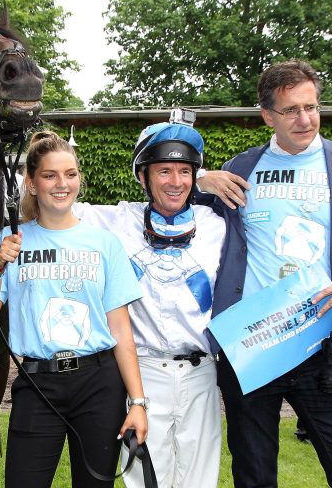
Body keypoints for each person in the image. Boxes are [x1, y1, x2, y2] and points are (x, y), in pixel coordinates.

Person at [201, 60, 332, 488]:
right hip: (252, 346)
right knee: (254, 478)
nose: (304, 119)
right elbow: (174, 199)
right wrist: (202, 178)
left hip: (323, 345)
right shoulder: (241, 168)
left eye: (311, 107)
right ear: (267, 116)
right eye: (291, 110)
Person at [0, 130, 148, 488]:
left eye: (70, 174)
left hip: (99, 383)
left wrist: (138, 402)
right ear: (32, 183)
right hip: (38, 383)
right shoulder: (10, 240)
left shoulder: (104, 243)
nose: (61, 184)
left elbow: (120, 330)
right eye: (50, 175)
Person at [73, 114, 226, 487]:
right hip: (143, 373)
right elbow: (50, 198)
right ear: (143, 177)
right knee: (145, 480)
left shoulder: (216, 223)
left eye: (185, 172)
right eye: (164, 171)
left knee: (199, 481)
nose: (176, 181)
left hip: (201, 372)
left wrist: (206, 178)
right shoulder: (116, 221)